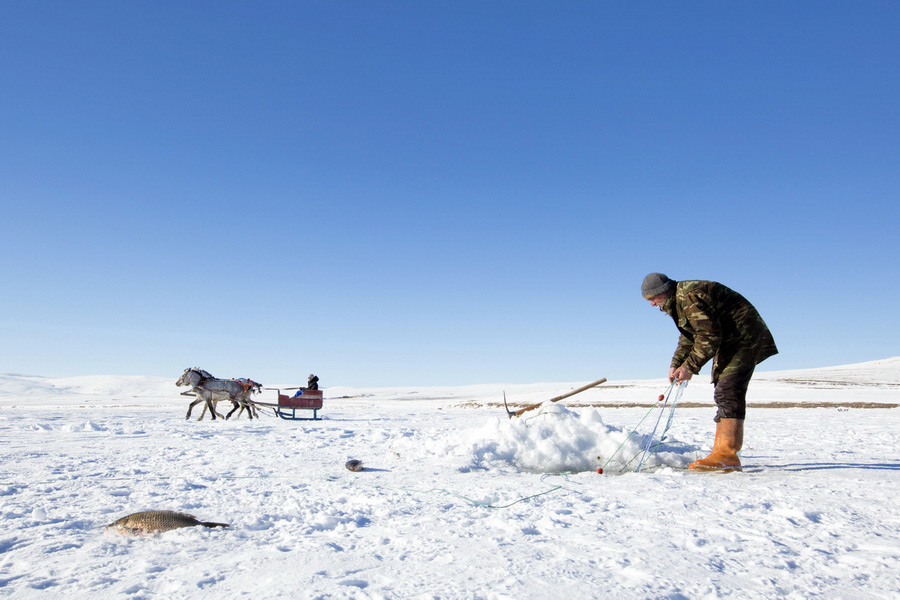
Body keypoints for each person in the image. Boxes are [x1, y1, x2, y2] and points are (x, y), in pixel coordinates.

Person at [642, 273, 778, 471]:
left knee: (728, 388)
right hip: (729, 339)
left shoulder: (690, 297)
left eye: (652, 299)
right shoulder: (677, 301)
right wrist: (676, 363)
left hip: (742, 336)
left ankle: (727, 456)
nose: (652, 304)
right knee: (723, 389)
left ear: (661, 292)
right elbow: (690, 336)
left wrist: (689, 367)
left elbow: (708, 336)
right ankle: (721, 452)